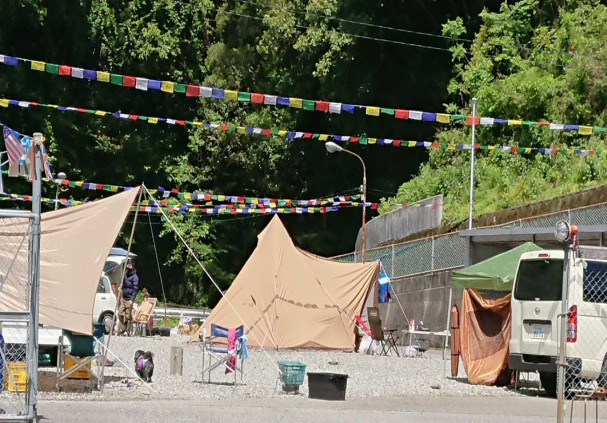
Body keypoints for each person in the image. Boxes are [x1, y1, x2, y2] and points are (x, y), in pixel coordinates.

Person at [118, 258, 139, 336]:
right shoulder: (126, 273)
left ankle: (128, 330)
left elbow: (135, 288)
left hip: (130, 299)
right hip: (124, 298)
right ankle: (123, 328)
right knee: (120, 313)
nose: (128, 266)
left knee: (128, 316)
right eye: (128, 265)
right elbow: (123, 282)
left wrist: (132, 300)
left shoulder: (135, 277)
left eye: (130, 265)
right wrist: (121, 286)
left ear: (133, 266)